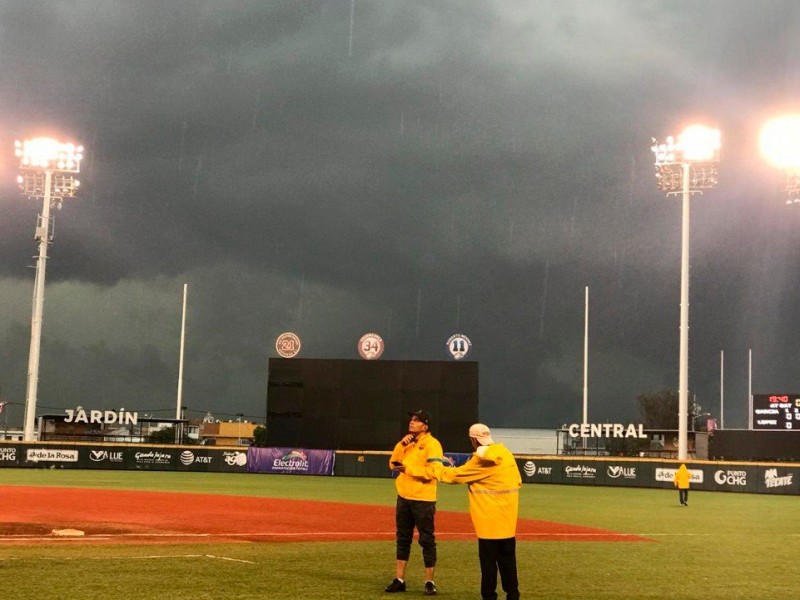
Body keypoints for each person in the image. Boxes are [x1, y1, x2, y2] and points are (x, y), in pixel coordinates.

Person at [420, 423, 522, 600]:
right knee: (508, 562)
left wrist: (435, 466)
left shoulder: (480, 461)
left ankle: (489, 596)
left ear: (473, 440)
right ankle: (513, 595)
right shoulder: (506, 454)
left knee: (488, 564)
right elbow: (518, 481)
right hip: (508, 522)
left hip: (488, 524)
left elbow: (453, 476)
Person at [385, 409, 443, 596]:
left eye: (416, 420)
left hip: (423, 499)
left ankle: (429, 581)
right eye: (411, 419)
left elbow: (433, 472)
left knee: (426, 539)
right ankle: (399, 579)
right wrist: (401, 445)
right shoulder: (407, 443)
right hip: (404, 496)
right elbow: (393, 463)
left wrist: (408, 469)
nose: (411, 422)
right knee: (403, 538)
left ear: (425, 426)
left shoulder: (433, 445)